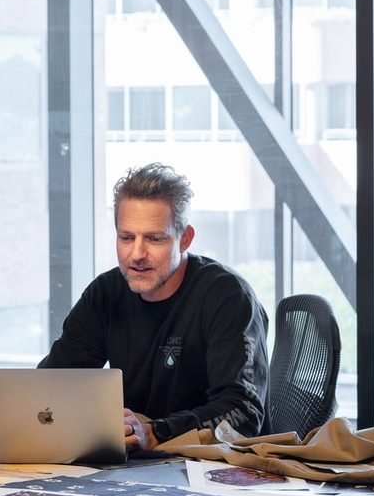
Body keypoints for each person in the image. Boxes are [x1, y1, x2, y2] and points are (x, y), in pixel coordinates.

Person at [39, 163, 269, 450]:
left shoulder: (228, 297)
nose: (136, 254)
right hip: (131, 466)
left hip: (211, 468)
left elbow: (243, 412)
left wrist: (154, 432)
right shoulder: (106, 294)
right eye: (126, 238)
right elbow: (51, 385)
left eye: (154, 239)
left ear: (184, 238)